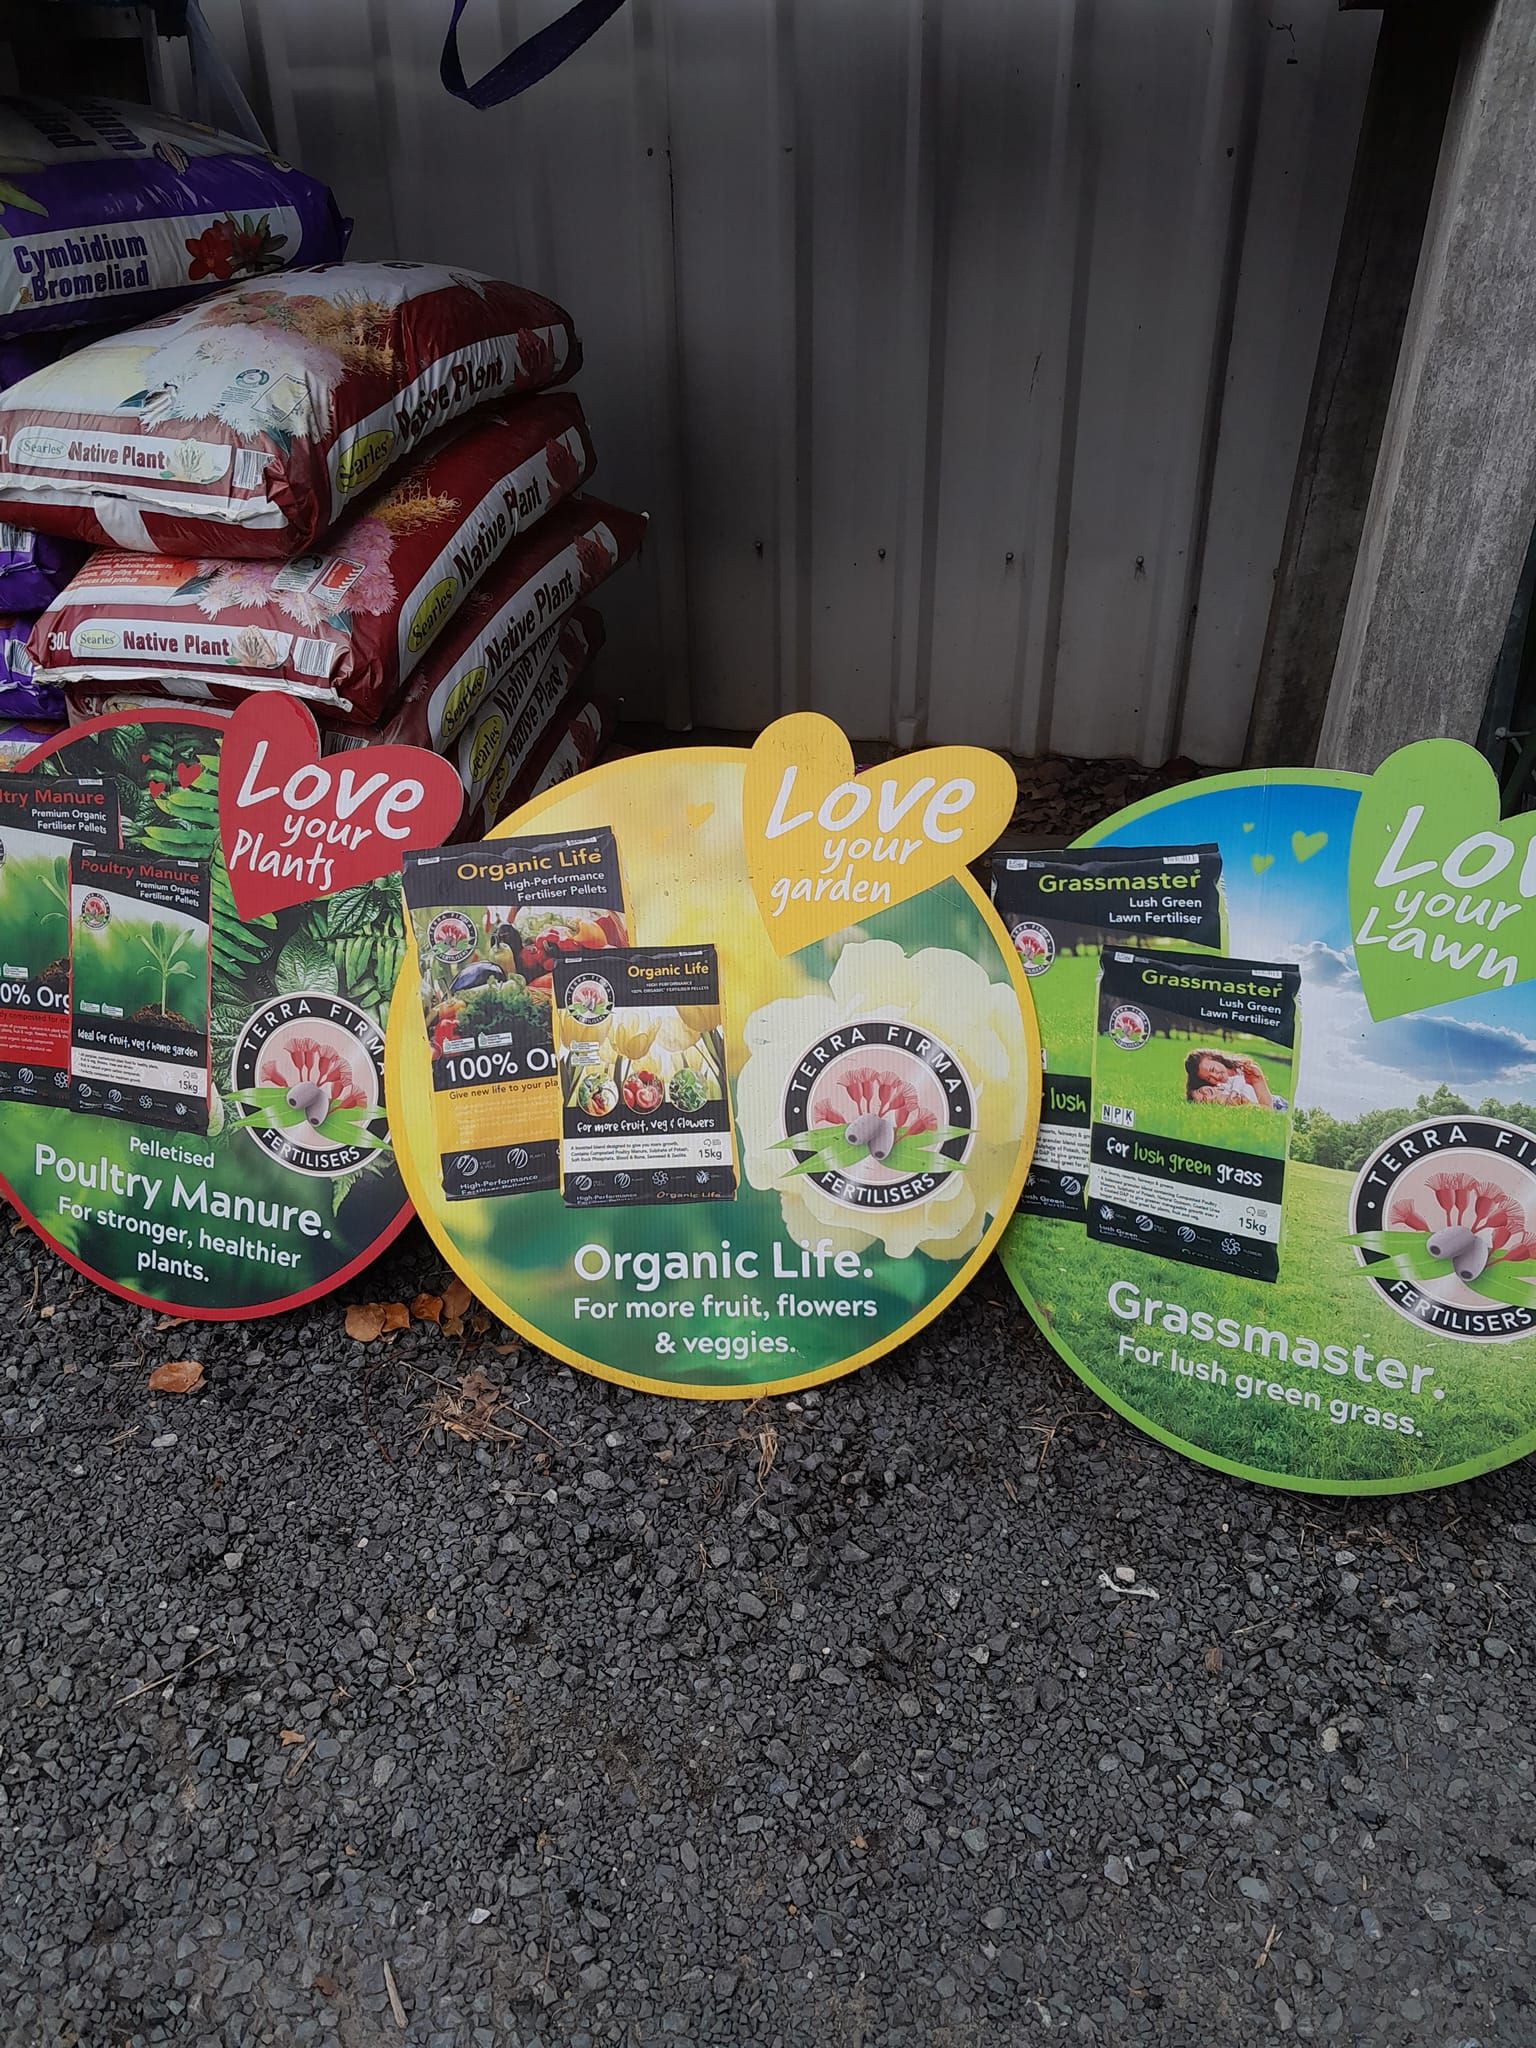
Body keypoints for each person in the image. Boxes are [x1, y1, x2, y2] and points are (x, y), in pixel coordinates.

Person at [1185, 1048, 1285, 1109]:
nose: (1215, 1076)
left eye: (1212, 1069)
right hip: (1265, 1105)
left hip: (1275, 1101)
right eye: (1208, 1078)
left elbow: (1241, 1081)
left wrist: (1235, 1092)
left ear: (1214, 1058)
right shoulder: (1218, 1088)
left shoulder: (1242, 1069)